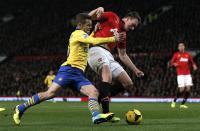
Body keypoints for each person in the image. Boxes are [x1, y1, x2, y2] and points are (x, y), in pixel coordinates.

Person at [13, 13, 125, 125]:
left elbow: (89, 40)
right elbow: (93, 41)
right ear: (80, 25)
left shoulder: (82, 35)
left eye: (91, 25)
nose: (90, 26)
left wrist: (94, 31)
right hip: (68, 70)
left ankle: (95, 116)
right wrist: (113, 38)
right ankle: (21, 108)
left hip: (78, 74)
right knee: (50, 94)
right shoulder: (77, 33)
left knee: (93, 92)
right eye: (88, 25)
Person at [88, 7, 144, 122]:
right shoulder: (113, 17)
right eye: (133, 25)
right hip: (96, 49)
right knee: (107, 75)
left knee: (128, 83)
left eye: (135, 27)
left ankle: (100, 95)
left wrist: (135, 70)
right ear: (128, 18)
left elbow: (123, 54)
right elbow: (90, 17)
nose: (133, 28)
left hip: (109, 56)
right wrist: (98, 9)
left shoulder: (123, 34)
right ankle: (106, 113)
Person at [170, 42, 197, 108]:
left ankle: (182, 104)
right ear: (178, 48)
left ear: (184, 47)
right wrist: (174, 64)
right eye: (180, 46)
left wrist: (194, 65)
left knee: (188, 89)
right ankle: (174, 101)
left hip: (187, 74)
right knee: (181, 89)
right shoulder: (176, 54)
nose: (181, 47)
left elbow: (192, 61)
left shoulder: (187, 55)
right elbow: (171, 62)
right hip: (180, 74)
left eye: (182, 46)